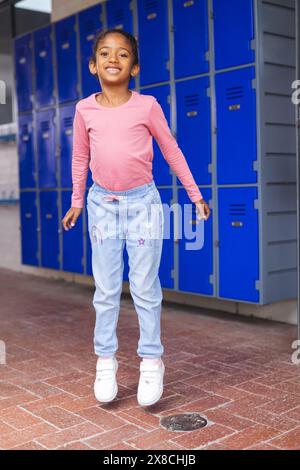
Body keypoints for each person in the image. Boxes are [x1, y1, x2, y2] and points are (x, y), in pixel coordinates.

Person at [61, 28, 210, 407]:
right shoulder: (84, 110)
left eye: (123, 54)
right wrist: (77, 200)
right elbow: (80, 157)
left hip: (143, 205)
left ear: (135, 67)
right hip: (101, 206)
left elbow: (172, 151)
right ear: (94, 65)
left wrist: (195, 195)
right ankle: (105, 362)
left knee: (145, 288)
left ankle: (151, 361)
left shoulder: (147, 107)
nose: (114, 59)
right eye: (105, 54)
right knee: (107, 290)